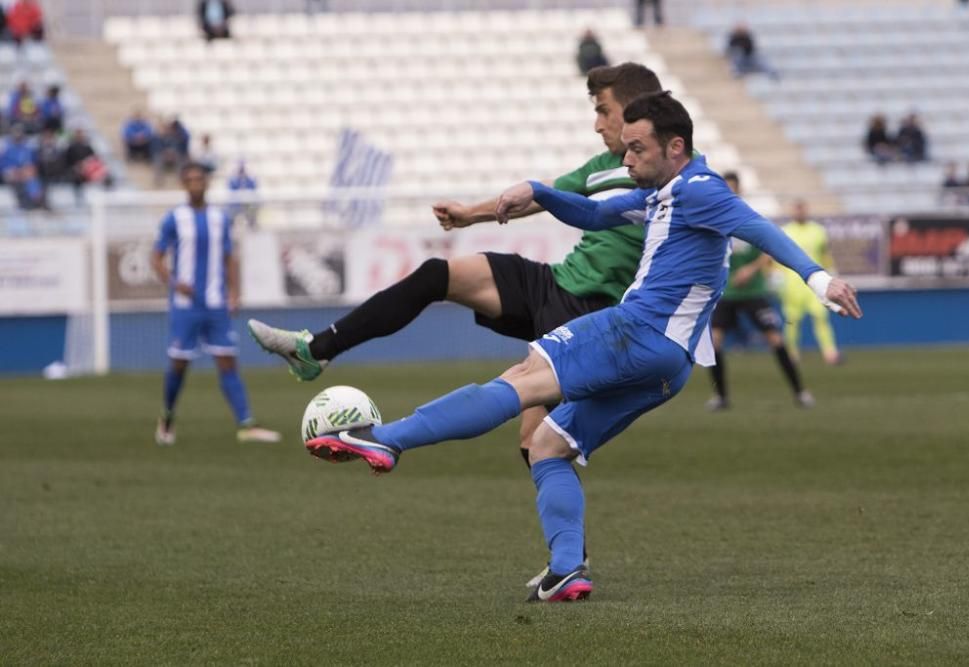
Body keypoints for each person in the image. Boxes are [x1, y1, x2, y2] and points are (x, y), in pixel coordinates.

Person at [298, 92, 862, 602]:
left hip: (636, 331)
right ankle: (567, 568)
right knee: (548, 445)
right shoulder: (663, 193)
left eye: (637, 149)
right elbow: (593, 212)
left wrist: (819, 280)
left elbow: (758, 227)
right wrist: (537, 191)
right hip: (670, 367)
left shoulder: (699, 190)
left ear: (676, 146)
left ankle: (388, 440)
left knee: (522, 379)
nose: (626, 159)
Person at [248, 62, 663, 587]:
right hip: (554, 284)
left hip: (591, 314)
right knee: (438, 274)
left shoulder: (666, 176)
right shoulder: (604, 163)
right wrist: (473, 214)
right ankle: (317, 351)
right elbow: (546, 194)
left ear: (635, 112)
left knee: (537, 441)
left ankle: (569, 561)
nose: (597, 123)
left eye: (602, 111)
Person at [151, 162, 280, 447]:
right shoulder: (174, 219)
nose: (196, 183)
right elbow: (156, 258)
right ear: (184, 184)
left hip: (215, 303)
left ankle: (246, 424)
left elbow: (228, 257)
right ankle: (168, 415)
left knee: (227, 361)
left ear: (207, 183)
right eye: (191, 179)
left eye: (200, 179)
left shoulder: (220, 219)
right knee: (179, 364)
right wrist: (174, 282)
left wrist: (234, 291)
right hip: (186, 306)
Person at [704, 172, 812, 411]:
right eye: (726, 188)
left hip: (753, 291)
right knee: (715, 343)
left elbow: (767, 250)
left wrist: (750, 271)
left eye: (734, 188)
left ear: (739, 190)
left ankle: (800, 392)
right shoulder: (712, 221)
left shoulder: (747, 217)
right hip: (726, 293)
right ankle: (720, 397)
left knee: (775, 339)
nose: (730, 192)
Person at [779, 200, 841, 366]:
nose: (799, 212)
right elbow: (776, 257)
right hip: (792, 284)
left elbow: (824, 253)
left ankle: (830, 353)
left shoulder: (818, 231)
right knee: (792, 320)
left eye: (802, 209)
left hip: (814, 282)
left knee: (820, 317)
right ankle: (791, 355)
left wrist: (831, 272)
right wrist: (776, 276)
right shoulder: (786, 231)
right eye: (797, 209)